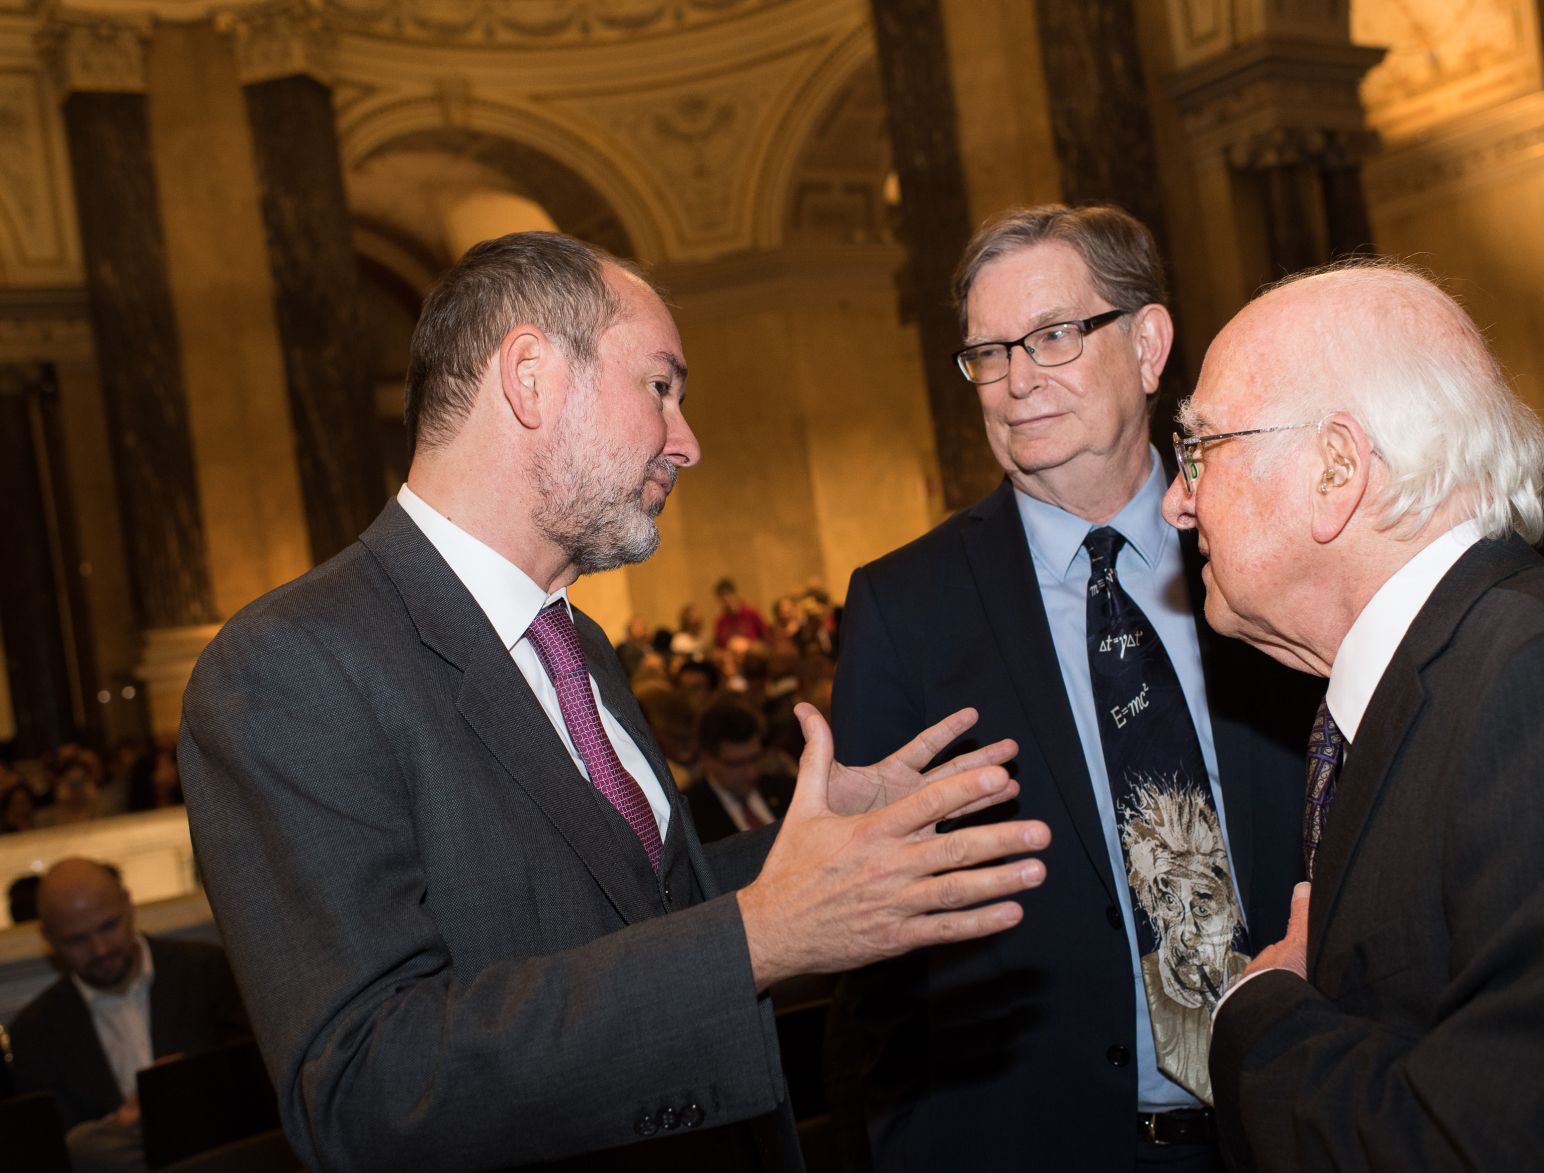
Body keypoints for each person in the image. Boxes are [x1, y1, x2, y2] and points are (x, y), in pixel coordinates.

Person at [177, 231, 1050, 1173]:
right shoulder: (289, 665)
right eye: (662, 387)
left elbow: (613, 911)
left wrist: (810, 852)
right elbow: (369, 1088)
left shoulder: (574, 640)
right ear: (530, 377)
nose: (688, 440)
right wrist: (759, 933)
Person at [1161, 259, 1544, 1170]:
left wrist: (1260, 1011)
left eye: (1201, 448)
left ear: (1336, 469)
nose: (1177, 499)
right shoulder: (1438, 681)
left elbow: (1526, 1143)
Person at [828, 204, 1315, 1171]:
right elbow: (867, 936)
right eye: (988, 353)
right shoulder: (905, 607)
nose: (1016, 382)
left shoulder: (1267, 545)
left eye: (1052, 336)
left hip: (1301, 1120)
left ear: (1148, 343)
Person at [8, 858, 251, 1173]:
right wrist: (117, 1124)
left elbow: (255, 1077)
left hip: (220, 1142)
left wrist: (192, 1081)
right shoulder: (33, 1031)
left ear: (129, 905)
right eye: (76, 940)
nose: (100, 950)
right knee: (86, 1145)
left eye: (109, 926)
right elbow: (52, 1151)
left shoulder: (206, 970)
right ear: (49, 938)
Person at [686, 698, 794, 842]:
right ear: (707, 759)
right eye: (736, 764)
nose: (752, 773)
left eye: (755, 758)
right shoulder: (690, 817)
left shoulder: (788, 790)